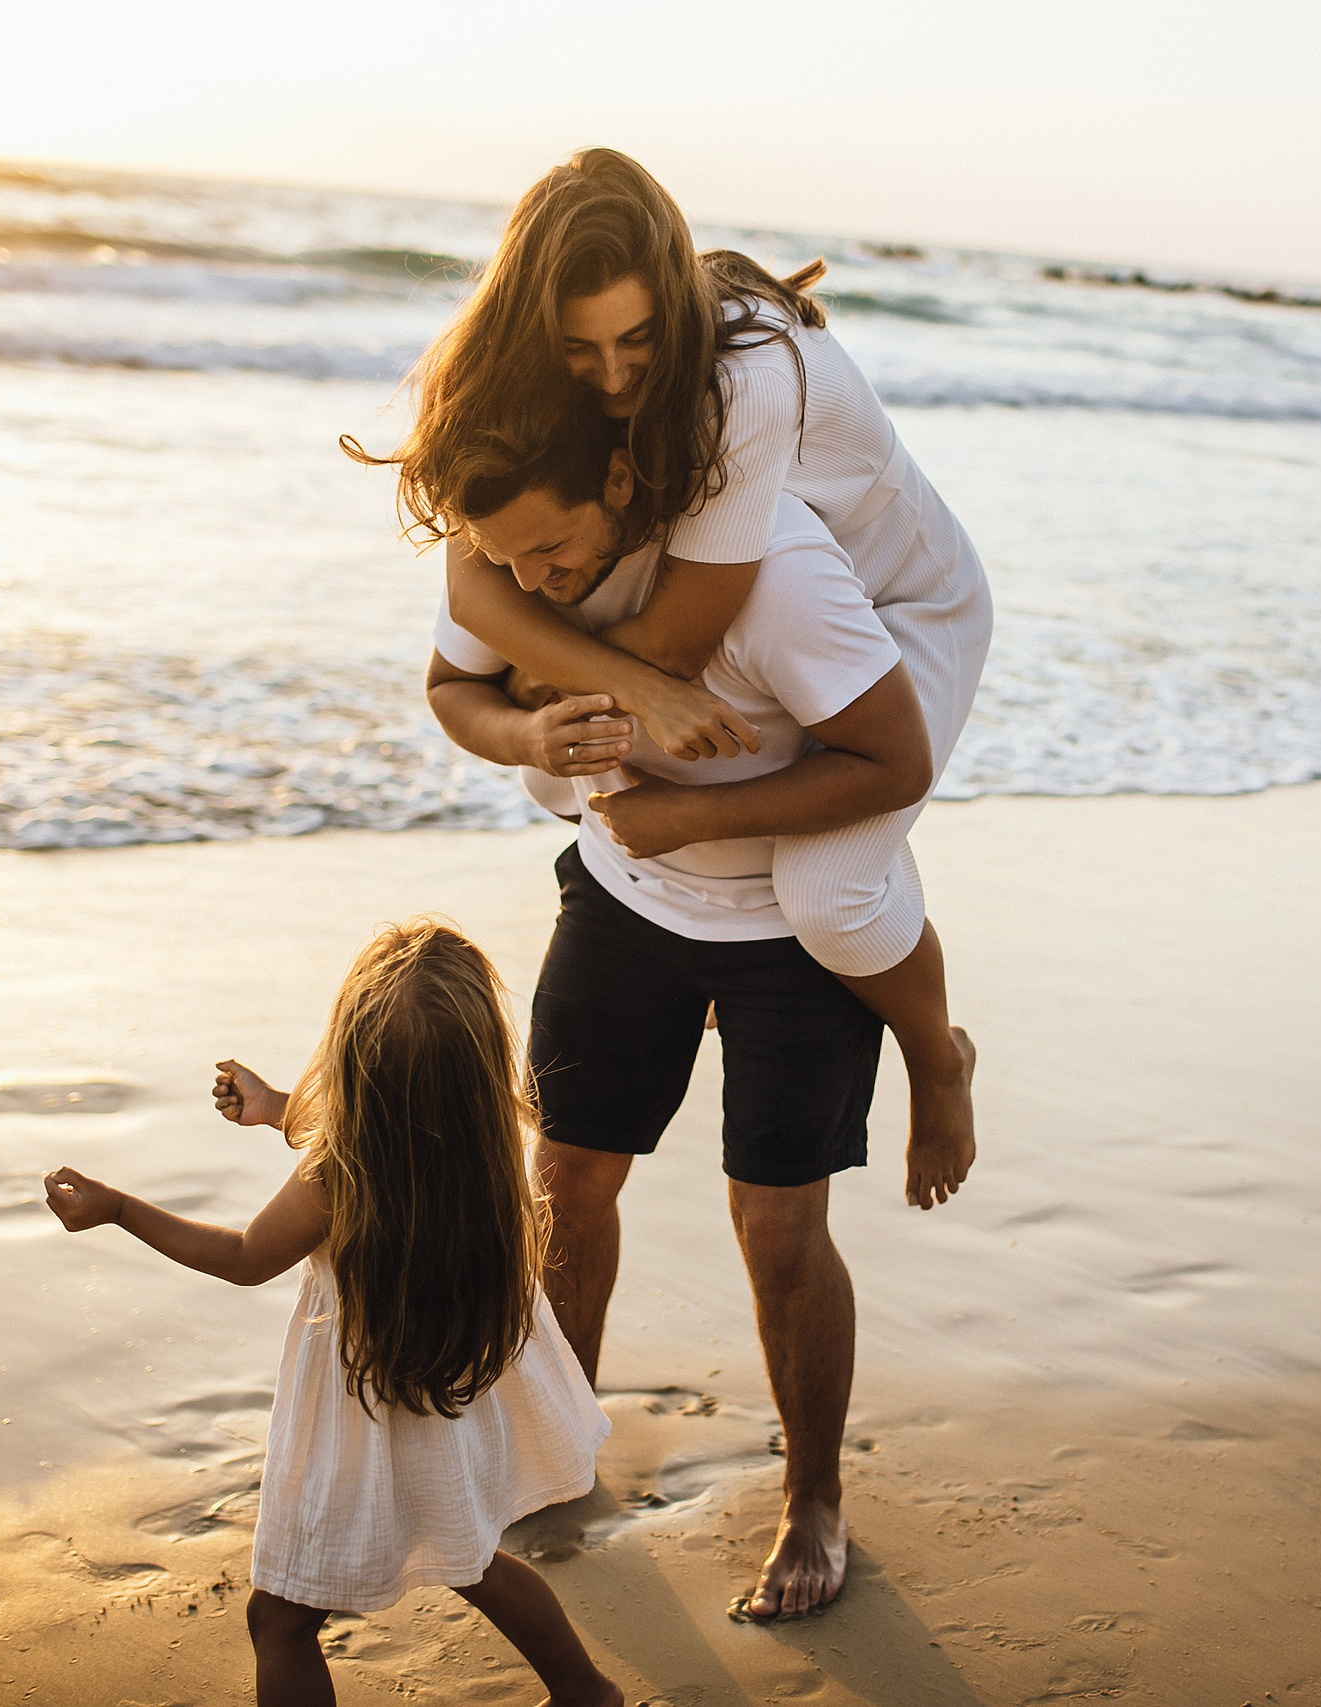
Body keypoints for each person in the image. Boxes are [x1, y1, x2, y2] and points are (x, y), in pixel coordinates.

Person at [366, 146, 992, 1214]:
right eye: (579, 350)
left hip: (903, 598)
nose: (612, 379)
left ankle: (935, 1053)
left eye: (637, 340)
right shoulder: (482, 374)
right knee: (556, 777)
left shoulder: (738, 379)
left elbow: (680, 638)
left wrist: (552, 695)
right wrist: (535, 723)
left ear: (674, 302)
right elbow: (476, 595)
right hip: (788, 595)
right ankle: (697, 950)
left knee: (827, 893)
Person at [421, 411, 945, 1621]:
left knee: (775, 1222)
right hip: (623, 899)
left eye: (556, 553)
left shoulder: (779, 584)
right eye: (509, 564)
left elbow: (894, 762)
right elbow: (455, 687)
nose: (534, 586)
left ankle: (813, 1496)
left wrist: (695, 816)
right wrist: (524, 729)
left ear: (621, 479)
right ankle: (555, 1446)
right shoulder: (517, 555)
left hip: (789, 929)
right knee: (566, 1177)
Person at [40, 921, 619, 1707]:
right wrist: (277, 1106)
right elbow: (398, 1128)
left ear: (353, 1060)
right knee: (475, 1558)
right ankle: (586, 1692)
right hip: (449, 1397)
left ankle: (586, 1691)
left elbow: (246, 1256)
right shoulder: (481, 1156)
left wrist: (119, 1209)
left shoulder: (337, 1173)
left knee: (279, 1617)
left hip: (362, 1415)